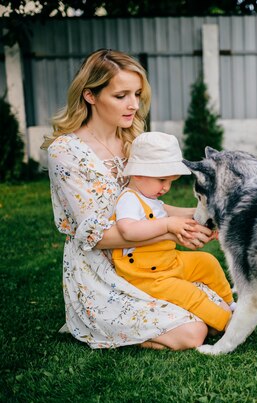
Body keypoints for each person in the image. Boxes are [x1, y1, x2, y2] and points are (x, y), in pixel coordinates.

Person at [44, 48, 219, 350]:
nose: (134, 105)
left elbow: (151, 207)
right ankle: (106, 325)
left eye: (137, 94)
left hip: (151, 262)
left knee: (211, 307)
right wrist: (171, 229)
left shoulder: (132, 140)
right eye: (121, 95)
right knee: (193, 332)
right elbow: (95, 238)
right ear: (90, 96)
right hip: (100, 272)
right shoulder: (65, 152)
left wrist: (198, 216)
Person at [111, 131, 235, 333]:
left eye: (171, 181)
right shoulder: (129, 199)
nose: (167, 187)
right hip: (147, 275)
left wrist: (207, 222)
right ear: (138, 173)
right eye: (162, 180)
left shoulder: (149, 197)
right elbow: (128, 231)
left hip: (168, 261)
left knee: (207, 262)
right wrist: (168, 225)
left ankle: (230, 304)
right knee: (188, 293)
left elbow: (182, 216)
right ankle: (227, 325)